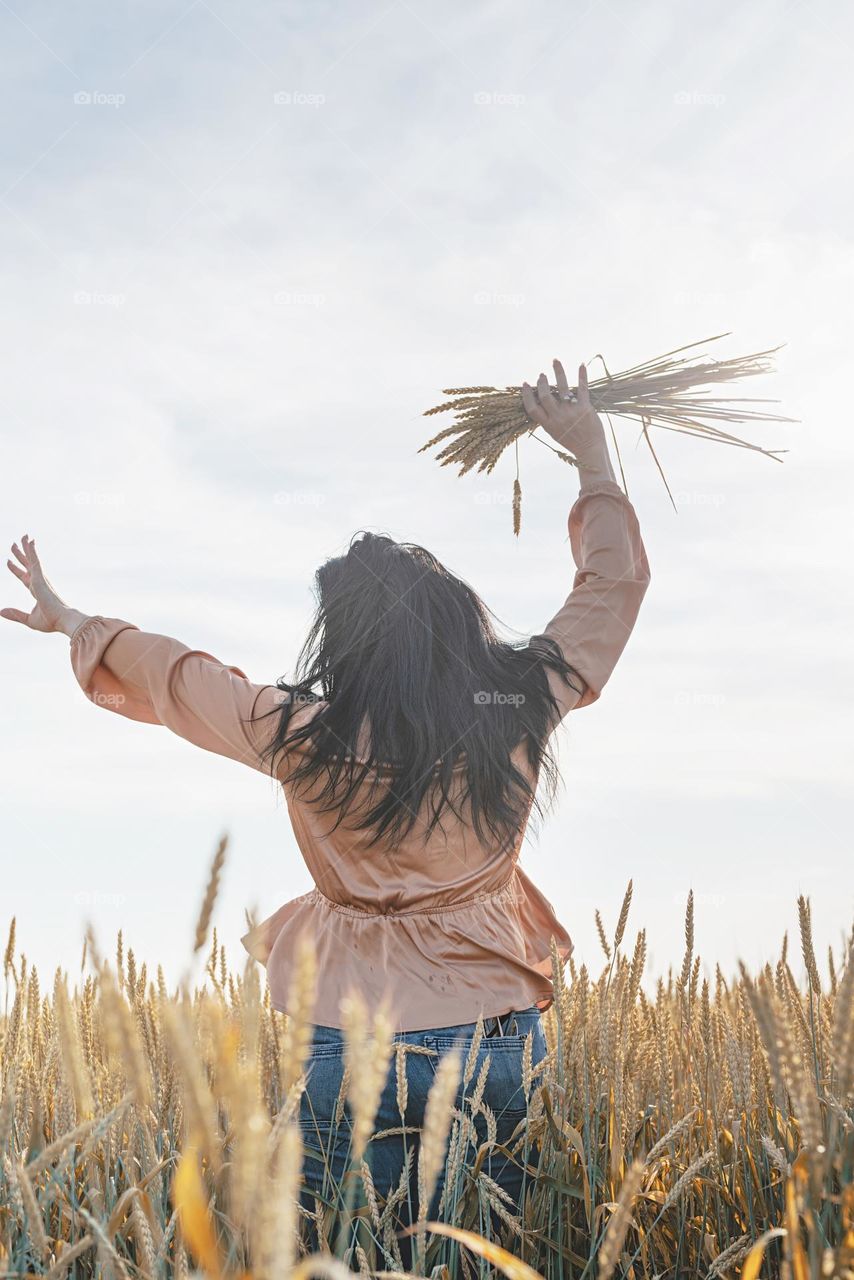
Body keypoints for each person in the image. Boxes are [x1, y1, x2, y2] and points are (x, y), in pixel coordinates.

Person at [3, 359, 650, 1250]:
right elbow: (609, 592)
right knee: (494, 1259)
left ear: (339, 643)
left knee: (358, 1255)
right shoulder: (519, 696)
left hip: (354, 1042)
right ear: (453, 620)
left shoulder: (300, 731)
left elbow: (176, 674)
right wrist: (591, 457)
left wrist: (72, 622)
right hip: (499, 1033)